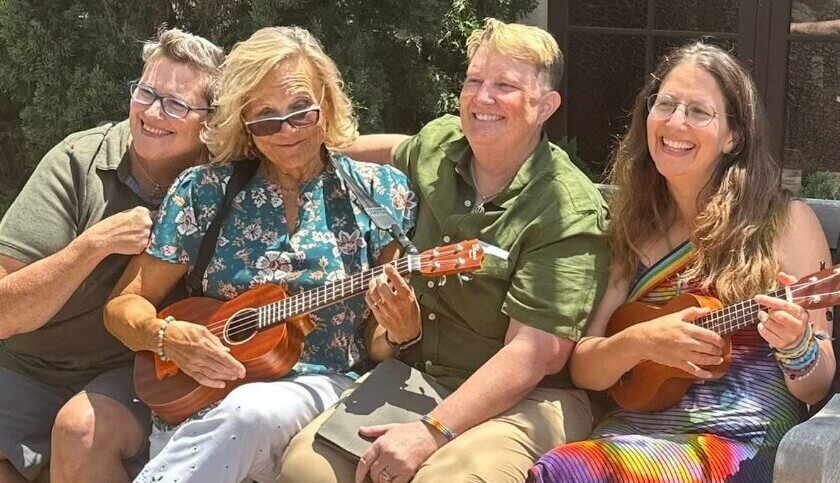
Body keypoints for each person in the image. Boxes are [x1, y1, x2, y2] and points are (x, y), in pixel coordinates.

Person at [277, 18, 610, 483]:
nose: (482, 97)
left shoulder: (566, 208)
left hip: (527, 397)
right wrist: (304, 152)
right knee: (305, 469)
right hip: (420, 376)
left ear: (545, 106)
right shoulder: (442, 143)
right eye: (474, 81)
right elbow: (396, 149)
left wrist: (430, 432)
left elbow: (534, 355)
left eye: (505, 86)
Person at [103, 26, 417, 483]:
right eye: (266, 119)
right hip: (197, 402)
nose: (286, 130)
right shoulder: (204, 192)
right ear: (244, 123)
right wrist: (165, 337)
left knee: (249, 411)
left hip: (317, 393)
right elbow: (122, 307)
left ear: (327, 105)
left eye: (301, 111)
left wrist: (399, 331)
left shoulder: (378, 194)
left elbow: (374, 340)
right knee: (232, 419)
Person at [528, 42, 836, 483]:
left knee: (568, 471)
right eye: (666, 104)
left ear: (733, 136)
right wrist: (643, 342)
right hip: (632, 433)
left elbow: (816, 385)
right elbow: (585, 368)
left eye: (698, 111)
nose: (675, 123)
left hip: (738, 444)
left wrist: (797, 345)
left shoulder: (785, 222)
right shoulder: (636, 227)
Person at [0, 29, 223, 483]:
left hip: (136, 370)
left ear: (210, 121)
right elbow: (4, 313)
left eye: (176, 104)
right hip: (29, 366)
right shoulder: (78, 161)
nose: (152, 113)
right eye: (146, 93)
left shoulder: (222, 177)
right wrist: (92, 245)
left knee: (81, 433)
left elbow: (310, 144)